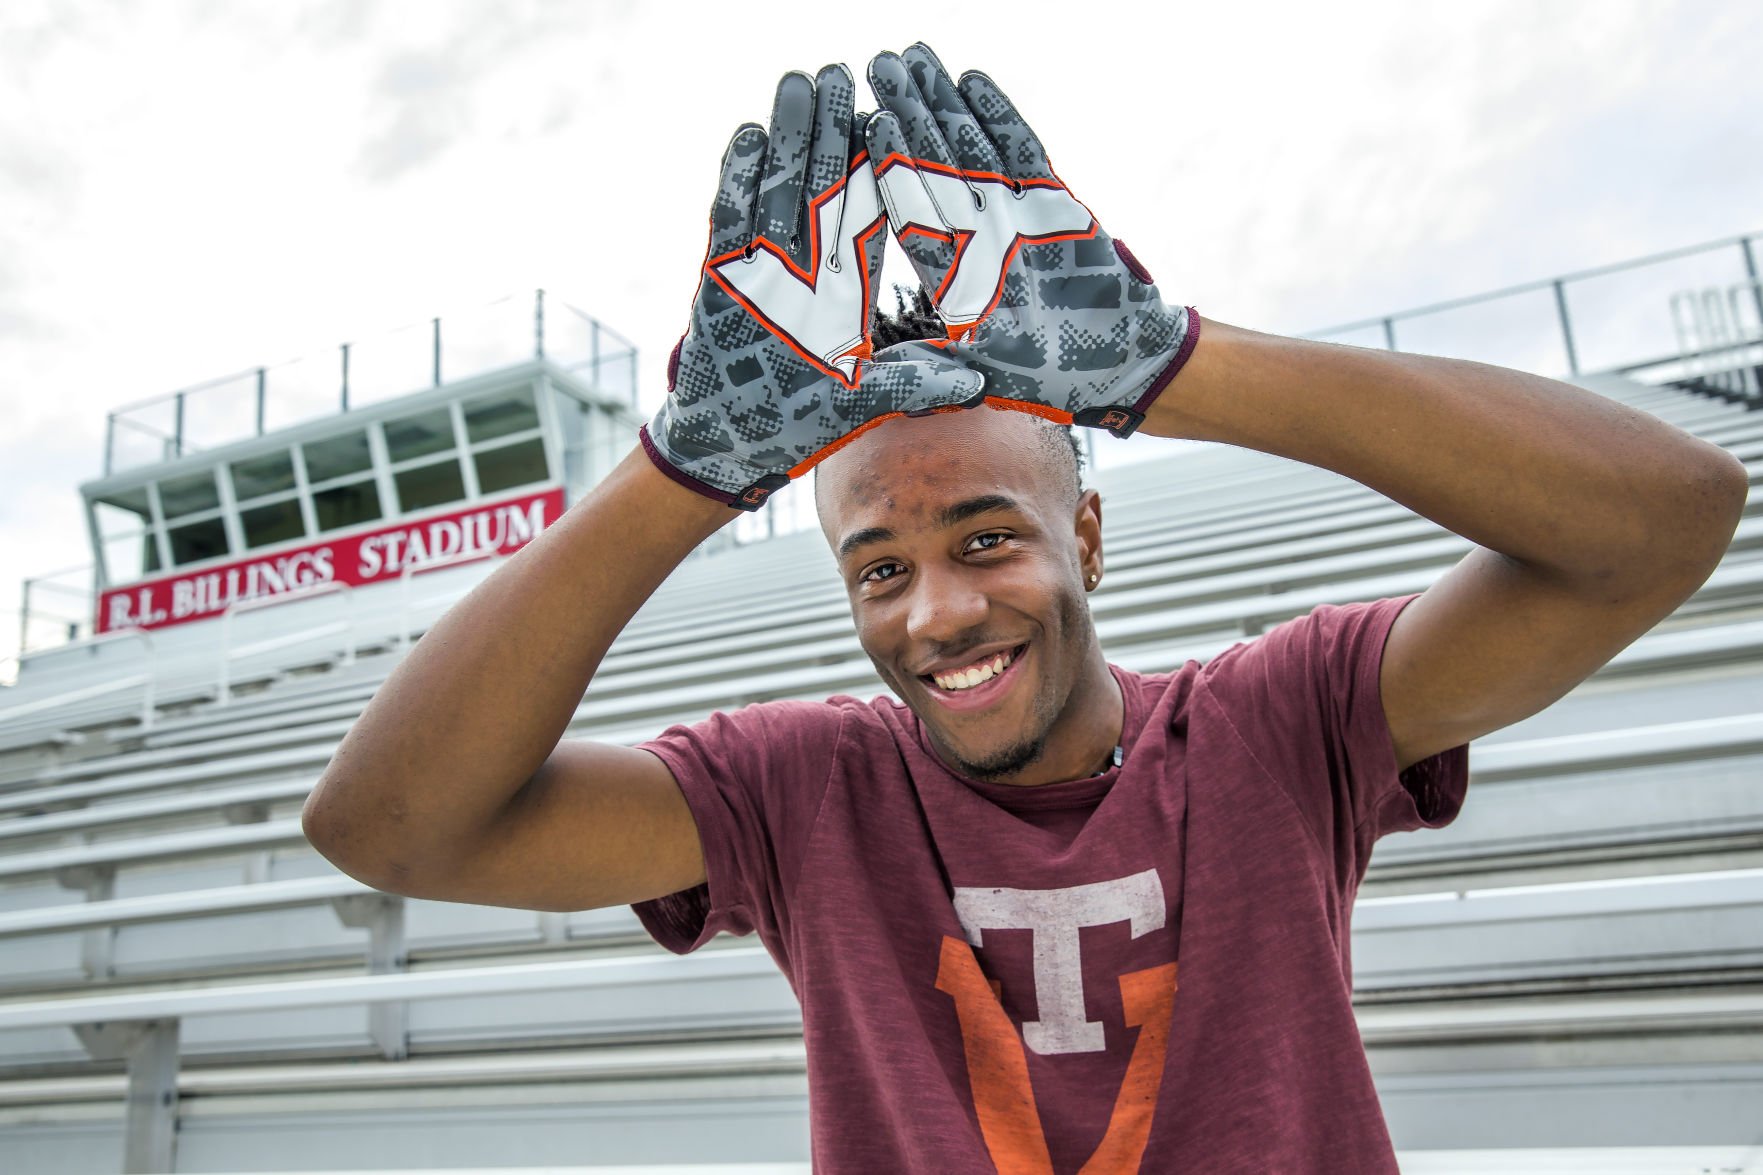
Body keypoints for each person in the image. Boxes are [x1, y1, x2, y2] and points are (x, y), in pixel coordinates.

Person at [301, 43, 1748, 1174]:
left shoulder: (1276, 720)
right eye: (880, 566)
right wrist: (687, 472)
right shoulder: (800, 793)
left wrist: (1175, 364)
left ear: (1089, 534)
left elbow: (1663, 521)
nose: (935, 614)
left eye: (987, 538)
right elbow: (387, 828)